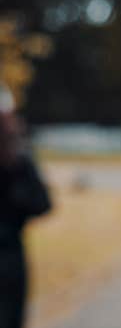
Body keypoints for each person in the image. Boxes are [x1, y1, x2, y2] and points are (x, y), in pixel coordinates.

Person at [0, 85, 52, 328]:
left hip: (10, 253)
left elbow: (41, 203)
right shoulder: (18, 155)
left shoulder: (17, 156)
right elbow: (41, 203)